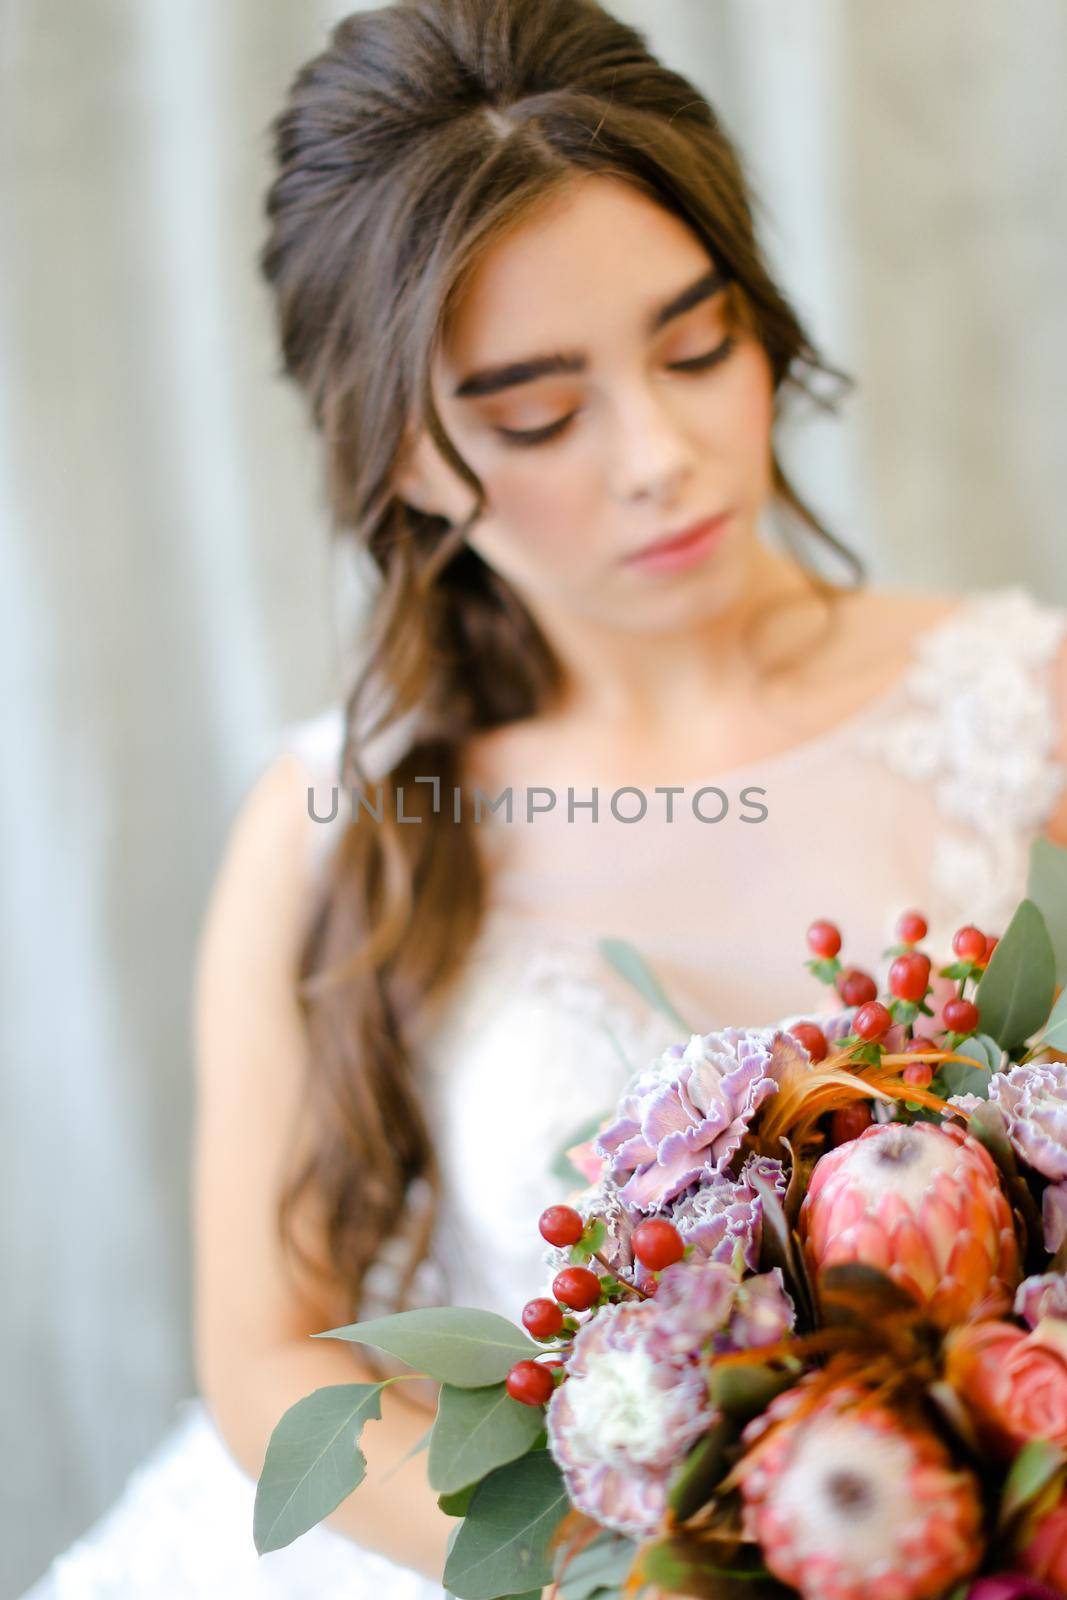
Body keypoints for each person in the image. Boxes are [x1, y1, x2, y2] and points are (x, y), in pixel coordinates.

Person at [25, 0, 1067, 1594]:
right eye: (538, 411)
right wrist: (648, 1578)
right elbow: (268, 1349)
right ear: (406, 460)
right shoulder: (337, 830)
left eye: (697, 342)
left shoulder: (1026, 706)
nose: (663, 453)